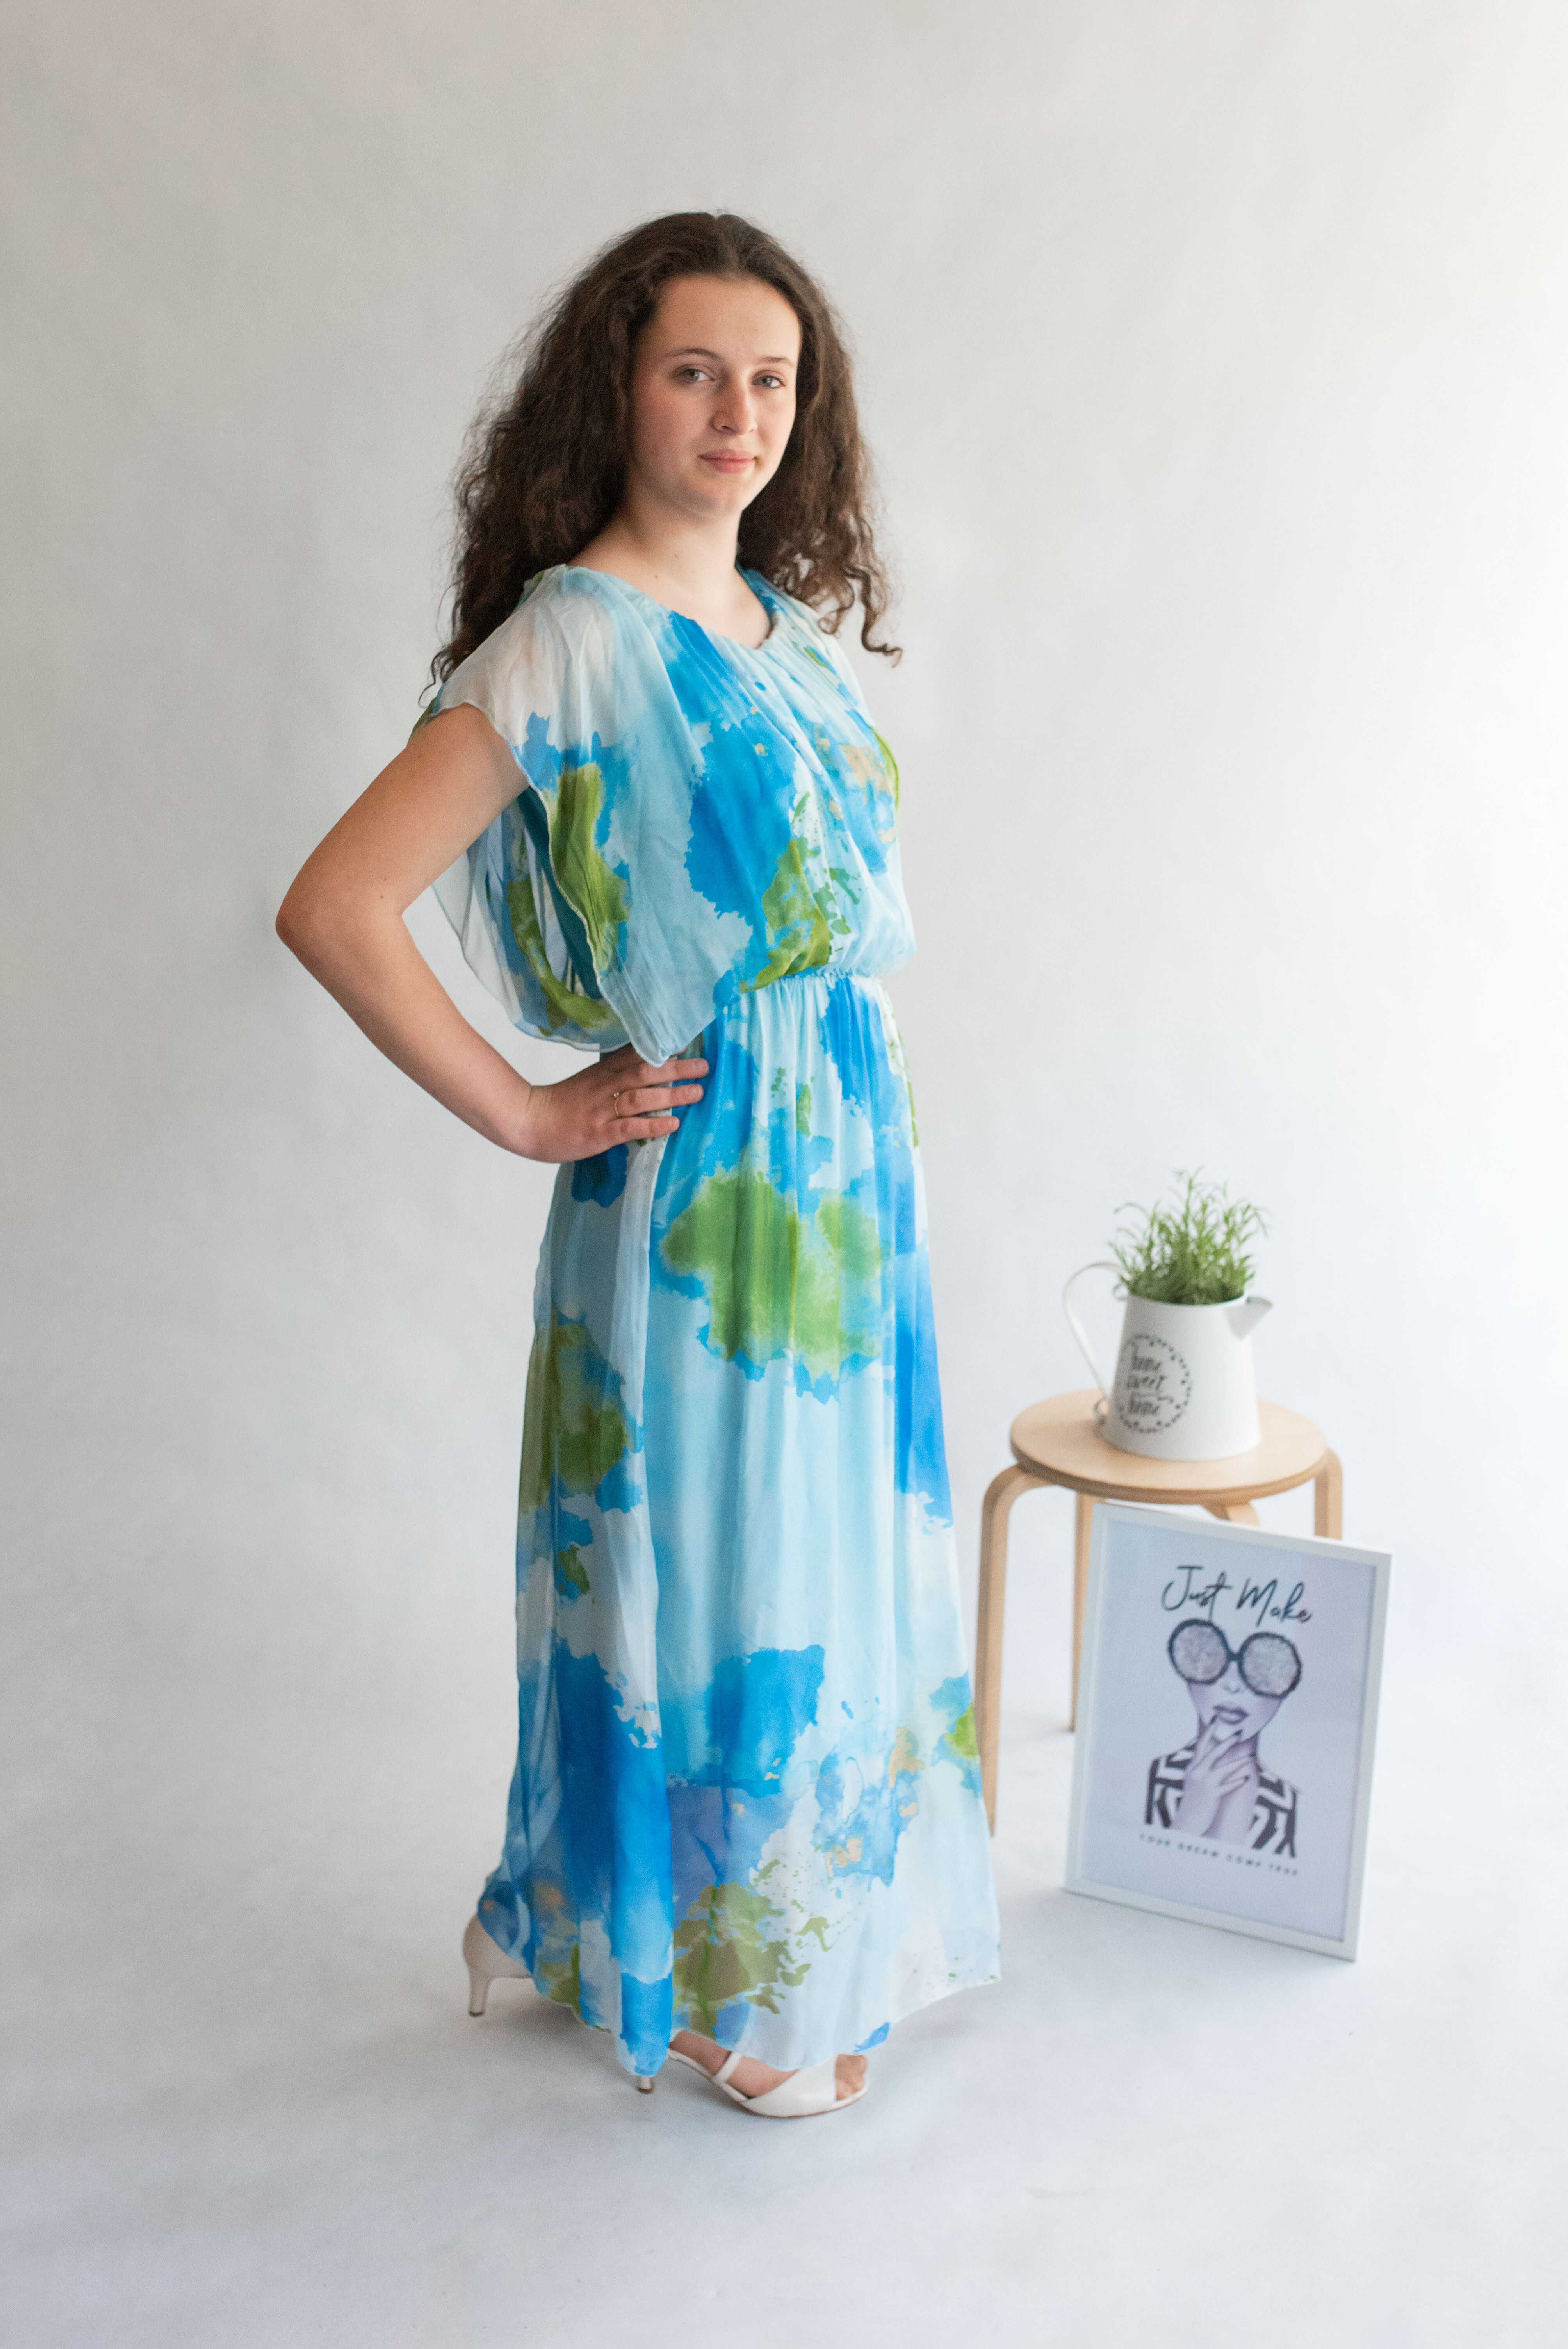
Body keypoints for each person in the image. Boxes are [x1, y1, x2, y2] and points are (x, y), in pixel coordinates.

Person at [277, 212, 999, 2119]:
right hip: (704, 1202)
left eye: (770, 380)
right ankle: (723, 1981)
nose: (737, 414)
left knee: (818, 1557)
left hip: (840, 1182)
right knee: (730, 1571)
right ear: (617, 389)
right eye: (695, 371)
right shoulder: (568, 642)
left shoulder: (783, 633)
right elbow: (337, 904)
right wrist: (526, 1109)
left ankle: (725, 1931)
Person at [1146, 1618, 1301, 1855]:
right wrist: (1187, 1822)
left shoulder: (1293, 1804)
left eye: (1263, 1668)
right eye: (1208, 1658)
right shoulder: (1150, 1776)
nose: (1233, 1685)